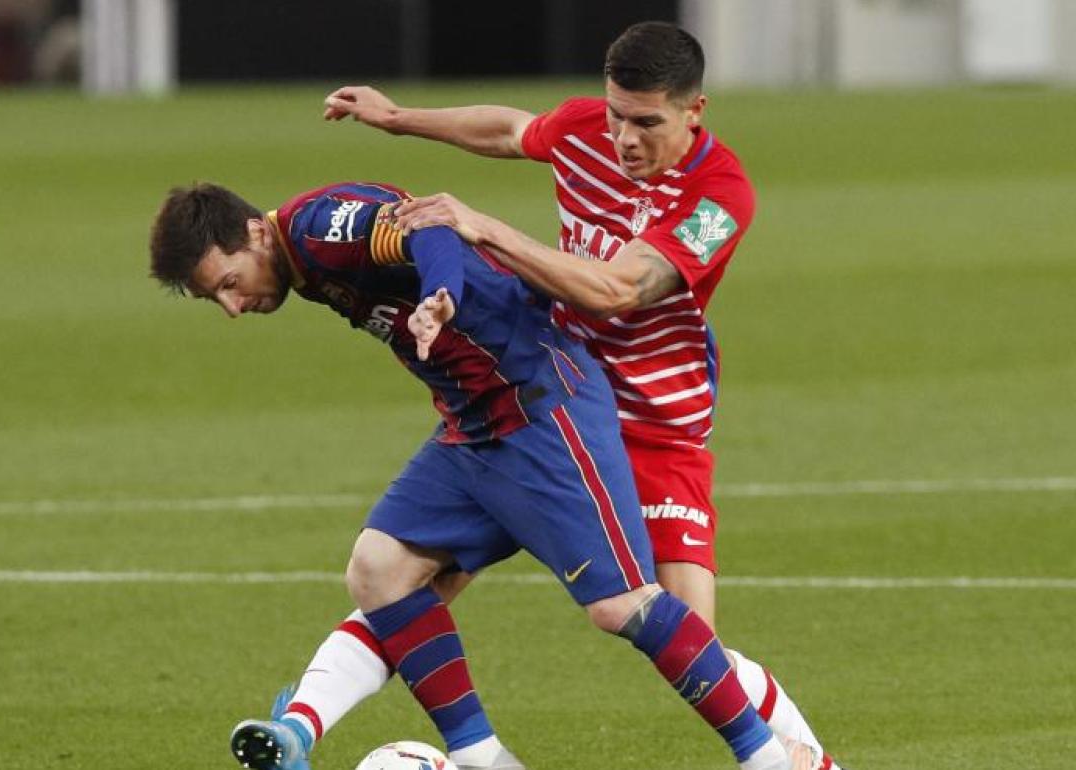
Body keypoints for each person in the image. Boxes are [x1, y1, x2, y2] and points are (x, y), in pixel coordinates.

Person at [321, 21, 842, 770]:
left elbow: (619, 289)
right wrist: (399, 119)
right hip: (552, 404)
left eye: (647, 123)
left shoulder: (719, 196)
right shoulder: (590, 131)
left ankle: (805, 760)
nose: (624, 139)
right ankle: (307, 727)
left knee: (690, 642)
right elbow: (512, 130)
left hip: (655, 425)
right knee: (395, 572)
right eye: (614, 117)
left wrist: (482, 229)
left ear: (695, 110)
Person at [148, 181, 803, 770]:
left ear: (255, 233)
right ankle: (479, 756)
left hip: (541, 404)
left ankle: (768, 759)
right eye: (217, 299)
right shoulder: (301, 259)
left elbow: (427, 223)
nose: (233, 306)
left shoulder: (319, 229)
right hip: (474, 426)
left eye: (229, 282)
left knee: (621, 605)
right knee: (378, 569)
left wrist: (442, 296)